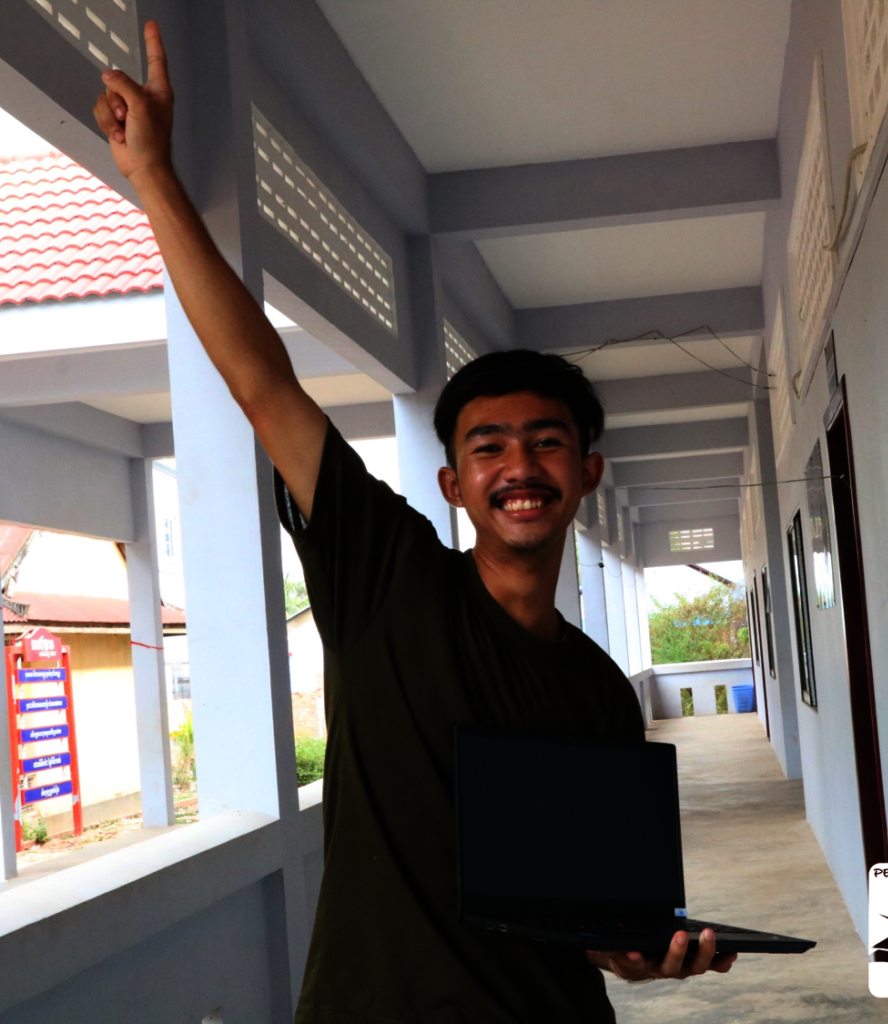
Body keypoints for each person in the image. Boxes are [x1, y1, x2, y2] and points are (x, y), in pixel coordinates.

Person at [93, 21, 737, 1022]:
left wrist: (640, 955)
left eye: (546, 442)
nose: (518, 467)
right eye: (488, 447)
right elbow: (262, 382)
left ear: (587, 473)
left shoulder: (600, 695)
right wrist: (153, 176)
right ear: (452, 484)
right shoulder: (384, 573)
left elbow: (592, 920)